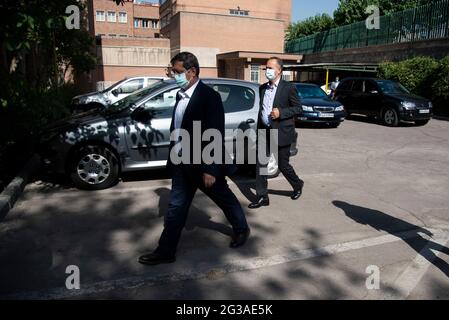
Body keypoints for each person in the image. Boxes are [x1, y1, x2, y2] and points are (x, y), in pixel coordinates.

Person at [138, 52, 250, 266]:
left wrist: (210, 168)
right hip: (182, 163)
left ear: (192, 72)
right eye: (173, 71)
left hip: (203, 164)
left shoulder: (209, 96)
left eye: (178, 72)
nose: (174, 75)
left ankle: (242, 229)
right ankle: (166, 251)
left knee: (224, 198)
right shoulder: (181, 95)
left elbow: (214, 132)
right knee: (175, 208)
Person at [248, 57, 304, 209]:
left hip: (281, 132)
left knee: (283, 165)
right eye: (267, 68)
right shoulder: (262, 88)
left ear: (279, 70)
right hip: (264, 131)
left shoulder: (288, 87)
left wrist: (282, 113)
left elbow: (299, 108)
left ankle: (297, 184)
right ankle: (262, 196)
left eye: (271, 68)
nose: (268, 71)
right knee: (261, 165)